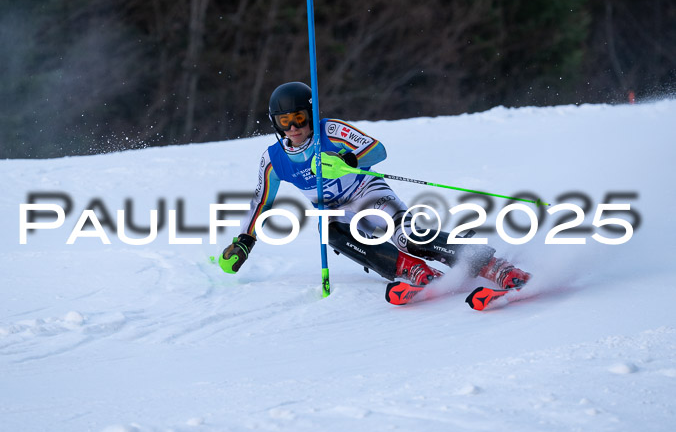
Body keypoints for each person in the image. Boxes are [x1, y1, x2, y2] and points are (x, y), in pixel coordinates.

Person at [219, 82, 530, 296]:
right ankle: (410, 271)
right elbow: (261, 203)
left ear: (310, 114)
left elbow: (377, 150)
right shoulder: (273, 160)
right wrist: (245, 241)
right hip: (335, 211)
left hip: (367, 193)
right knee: (328, 231)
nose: (293, 128)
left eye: (299, 118)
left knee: (407, 237)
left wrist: (346, 160)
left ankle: (490, 264)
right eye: (284, 121)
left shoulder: (331, 130)